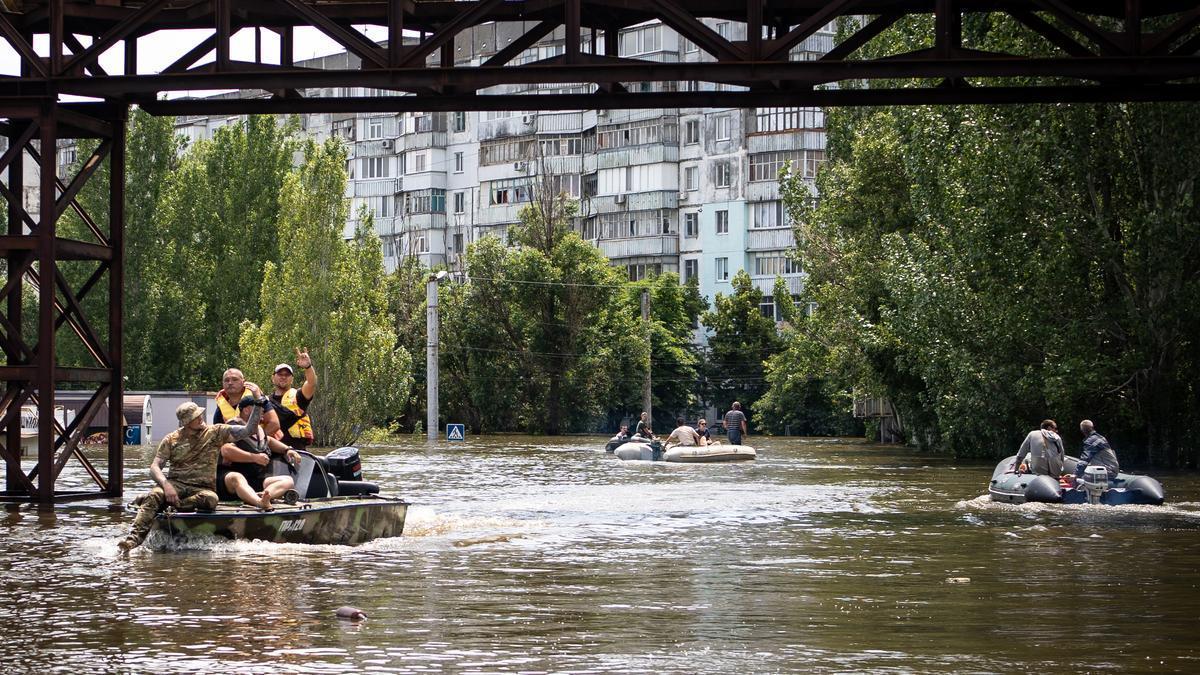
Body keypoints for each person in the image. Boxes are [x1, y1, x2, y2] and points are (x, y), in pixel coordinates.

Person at [117, 398, 264, 553]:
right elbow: (154, 467)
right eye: (195, 417)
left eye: (200, 414)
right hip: (176, 484)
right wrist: (166, 486)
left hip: (202, 488)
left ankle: (175, 506)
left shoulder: (215, 432)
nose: (200, 418)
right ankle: (132, 540)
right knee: (155, 494)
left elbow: (249, 430)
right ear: (186, 422)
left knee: (211, 500)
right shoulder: (171, 439)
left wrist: (258, 403)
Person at [218, 396, 303, 510]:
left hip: (254, 479)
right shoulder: (233, 425)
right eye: (259, 409)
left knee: (287, 481)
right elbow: (226, 450)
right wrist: (254, 457)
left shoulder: (259, 429)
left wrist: (288, 449)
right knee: (237, 478)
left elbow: (269, 441)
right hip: (232, 479)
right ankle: (257, 501)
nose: (263, 412)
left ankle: (262, 496)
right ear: (247, 410)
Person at [270, 347, 317, 451]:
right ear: (273, 378)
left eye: (287, 375)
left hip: (298, 453)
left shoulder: (299, 396)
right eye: (280, 374)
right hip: (274, 453)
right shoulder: (266, 402)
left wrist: (308, 367)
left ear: (292, 379)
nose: (283, 377)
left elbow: (311, 383)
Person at [215, 367, 280, 437]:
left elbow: (274, 424)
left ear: (243, 382)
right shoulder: (221, 403)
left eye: (235, 379)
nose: (230, 383)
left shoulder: (256, 396)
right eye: (226, 380)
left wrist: (256, 441)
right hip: (236, 445)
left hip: (263, 444)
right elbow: (217, 432)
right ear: (222, 383)